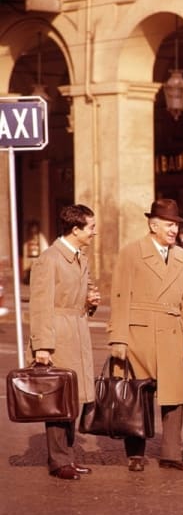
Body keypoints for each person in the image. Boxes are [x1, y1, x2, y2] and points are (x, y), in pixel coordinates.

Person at [107, 198, 183, 473]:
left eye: (176, 225)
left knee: (174, 398)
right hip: (138, 334)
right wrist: (118, 338)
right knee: (137, 394)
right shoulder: (131, 252)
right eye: (169, 224)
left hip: (171, 333)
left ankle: (172, 454)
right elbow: (120, 297)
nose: (173, 230)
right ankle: (135, 454)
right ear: (153, 224)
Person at [28, 204, 101, 480]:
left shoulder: (80, 257)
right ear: (76, 229)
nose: (94, 233)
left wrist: (89, 303)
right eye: (91, 228)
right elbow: (40, 305)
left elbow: (76, 298)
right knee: (58, 400)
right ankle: (59, 461)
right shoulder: (49, 260)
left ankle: (67, 456)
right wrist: (43, 346)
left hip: (77, 331)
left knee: (73, 399)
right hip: (58, 336)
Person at [23, 220, 49, 284]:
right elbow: (26, 251)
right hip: (30, 260)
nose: (33, 231)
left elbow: (45, 249)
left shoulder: (41, 238)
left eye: (35, 229)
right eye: (32, 229)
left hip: (38, 260)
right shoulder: (28, 239)